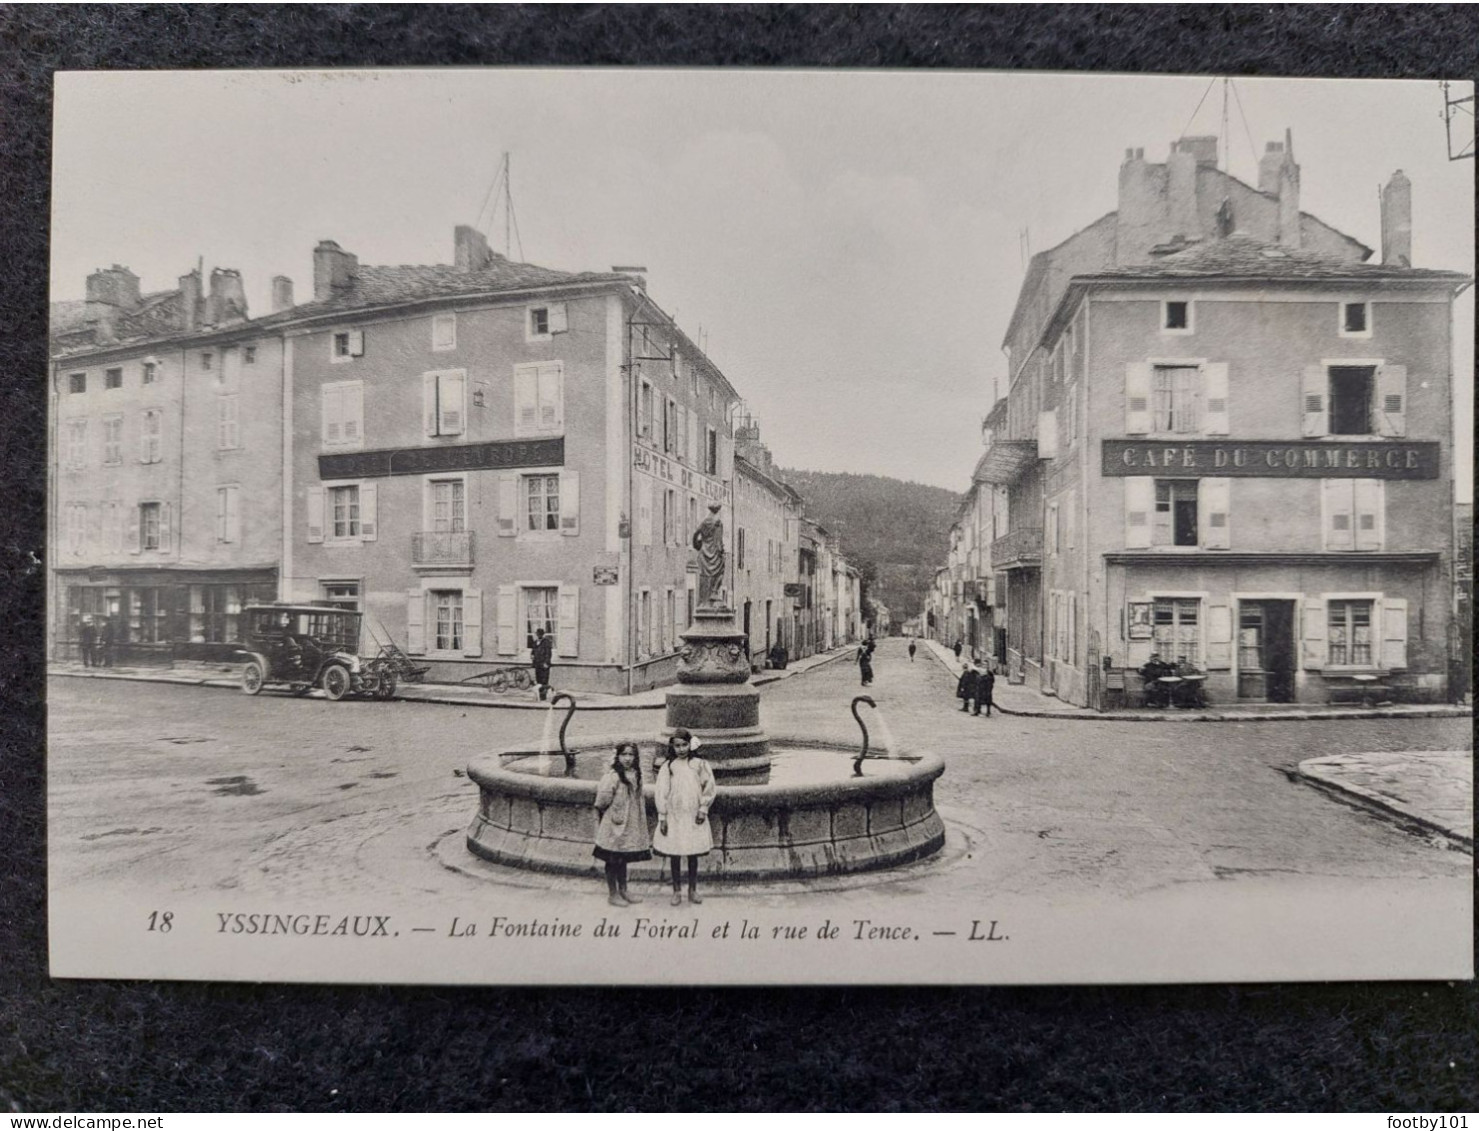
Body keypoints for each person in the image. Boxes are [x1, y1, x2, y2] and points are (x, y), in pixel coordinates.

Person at [653, 728, 715, 906]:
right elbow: (661, 791)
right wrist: (662, 817)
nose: (681, 749)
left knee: (693, 853)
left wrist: (703, 808)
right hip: (674, 815)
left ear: (690, 744)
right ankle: (677, 890)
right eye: (677, 746)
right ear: (672, 747)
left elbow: (709, 786)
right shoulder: (668, 767)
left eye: (684, 745)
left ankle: (692, 889)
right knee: (675, 853)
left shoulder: (699, 764)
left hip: (693, 814)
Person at [592, 741, 652, 907]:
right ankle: (613, 893)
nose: (627, 758)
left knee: (623, 857)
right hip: (614, 824)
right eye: (624, 755)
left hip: (629, 824)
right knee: (612, 859)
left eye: (631, 755)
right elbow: (601, 801)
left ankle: (624, 889)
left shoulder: (636, 775)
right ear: (617, 757)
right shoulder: (612, 777)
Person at [692, 503, 727, 609]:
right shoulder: (718, 523)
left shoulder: (704, 521)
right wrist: (721, 553)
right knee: (721, 570)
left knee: (704, 576)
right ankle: (714, 592)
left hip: (703, 553)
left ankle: (703, 601)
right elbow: (718, 541)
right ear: (717, 511)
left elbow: (695, 534)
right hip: (714, 553)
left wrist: (697, 545)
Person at [531, 627, 554, 702]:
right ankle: (540, 696)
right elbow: (533, 651)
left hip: (544, 665)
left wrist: (546, 663)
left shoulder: (546, 642)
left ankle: (544, 696)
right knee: (538, 680)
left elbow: (548, 653)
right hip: (537, 664)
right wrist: (532, 656)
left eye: (540, 634)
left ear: (542, 634)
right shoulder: (535, 642)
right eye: (537, 634)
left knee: (544, 680)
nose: (538, 635)